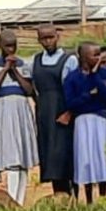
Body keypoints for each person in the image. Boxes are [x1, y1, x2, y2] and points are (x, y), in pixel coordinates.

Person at [0, 34, 41, 206]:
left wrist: (15, 70)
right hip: (4, 109)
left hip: (22, 109)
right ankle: (10, 200)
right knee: (11, 155)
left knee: (23, 156)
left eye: (13, 46)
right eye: (7, 46)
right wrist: (5, 69)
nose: (10, 49)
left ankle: (20, 200)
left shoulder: (23, 64)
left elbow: (29, 90)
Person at [61, 43, 106, 202]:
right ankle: (89, 198)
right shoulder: (72, 78)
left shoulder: (104, 74)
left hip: (102, 121)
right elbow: (70, 103)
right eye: (95, 55)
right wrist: (88, 95)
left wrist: (95, 76)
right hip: (83, 122)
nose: (99, 58)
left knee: (103, 156)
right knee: (86, 158)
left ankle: (103, 196)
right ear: (84, 57)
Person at [29, 27, 73, 196]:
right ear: (39, 40)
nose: (48, 42)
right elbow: (32, 86)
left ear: (57, 37)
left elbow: (75, 88)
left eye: (51, 37)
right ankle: (58, 194)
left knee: (63, 152)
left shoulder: (69, 60)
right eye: (44, 38)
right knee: (49, 152)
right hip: (44, 113)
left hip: (63, 111)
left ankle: (71, 196)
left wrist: (69, 112)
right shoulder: (35, 60)